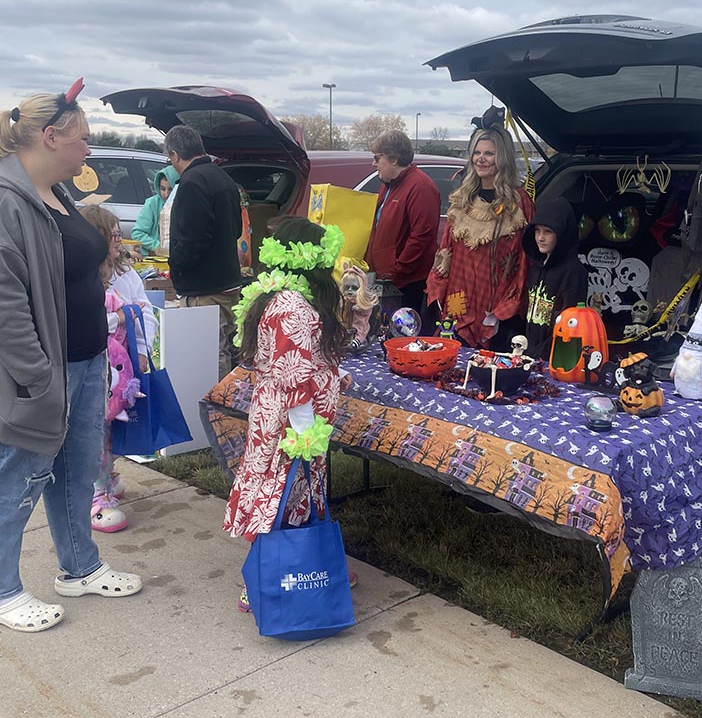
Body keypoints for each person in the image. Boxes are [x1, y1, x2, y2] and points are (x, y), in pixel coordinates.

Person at [0, 82, 143, 633]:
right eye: (82, 140)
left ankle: (79, 566)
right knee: (11, 477)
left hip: (82, 362)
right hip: (29, 374)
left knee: (75, 473)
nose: (89, 151)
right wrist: (36, 376)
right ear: (50, 137)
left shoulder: (53, 191)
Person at [225, 216, 356, 613]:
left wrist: (333, 372)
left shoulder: (282, 297)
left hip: (280, 416)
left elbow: (301, 358)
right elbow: (293, 372)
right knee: (280, 495)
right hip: (292, 423)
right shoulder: (293, 308)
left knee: (297, 495)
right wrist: (304, 434)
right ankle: (262, 578)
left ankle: (312, 562)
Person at [80, 204, 158, 533]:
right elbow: (89, 322)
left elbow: (147, 312)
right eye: (111, 234)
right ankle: (96, 496)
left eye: (118, 233)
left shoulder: (126, 274)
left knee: (113, 427)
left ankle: (108, 476)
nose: (118, 239)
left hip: (122, 372)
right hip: (93, 369)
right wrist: (124, 315)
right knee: (96, 430)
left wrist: (141, 349)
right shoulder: (82, 277)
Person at [426, 124, 534, 348]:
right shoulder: (462, 200)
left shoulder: (519, 202)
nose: (481, 159)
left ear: (502, 158)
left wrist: (510, 305)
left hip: (497, 303)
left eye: (489, 153)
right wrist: (438, 287)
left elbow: (525, 259)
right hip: (459, 301)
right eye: (477, 152)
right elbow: (445, 251)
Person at [165, 125, 244, 379]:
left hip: (204, 287)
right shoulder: (224, 178)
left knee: (210, 352)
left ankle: (213, 410)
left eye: (170, 158)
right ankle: (223, 402)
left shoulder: (191, 183)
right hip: (228, 279)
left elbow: (191, 239)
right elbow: (236, 228)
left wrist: (176, 267)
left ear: (175, 155)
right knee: (225, 347)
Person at [363, 131, 440, 315]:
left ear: (394, 159)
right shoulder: (388, 186)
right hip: (384, 282)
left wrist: (397, 271)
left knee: (403, 338)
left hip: (406, 286)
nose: (373, 163)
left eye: (377, 158)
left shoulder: (421, 187)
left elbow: (422, 237)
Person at [522, 196, 588, 360]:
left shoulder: (574, 273)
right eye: (537, 230)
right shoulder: (535, 267)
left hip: (555, 359)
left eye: (548, 232)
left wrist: (540, 356)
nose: (540, 238)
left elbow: (569, 326)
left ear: (562, 234)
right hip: (528, 355)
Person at [131, 164, 178, 256]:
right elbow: (137, 233)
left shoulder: (183, 204)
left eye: (170, 189)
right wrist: (157, 247)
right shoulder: (152, 203)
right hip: (153, 259)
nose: (166, 194)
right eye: (162, 189)